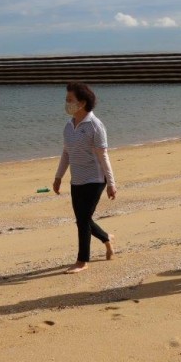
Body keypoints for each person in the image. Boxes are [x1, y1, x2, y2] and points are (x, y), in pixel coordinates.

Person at [52, 83, 117, 274]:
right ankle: (106, 239)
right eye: (66, 100)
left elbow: (103, 156)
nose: (67, 104)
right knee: (82, 219)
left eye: (69, 100)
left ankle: (82, 261)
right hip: (76, 180)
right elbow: (66, 153)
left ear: (82, 103)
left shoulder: (95, 126)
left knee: (83, 219)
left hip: (95, 179)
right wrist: (58, 177)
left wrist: (111, 184)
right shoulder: (69, 125)